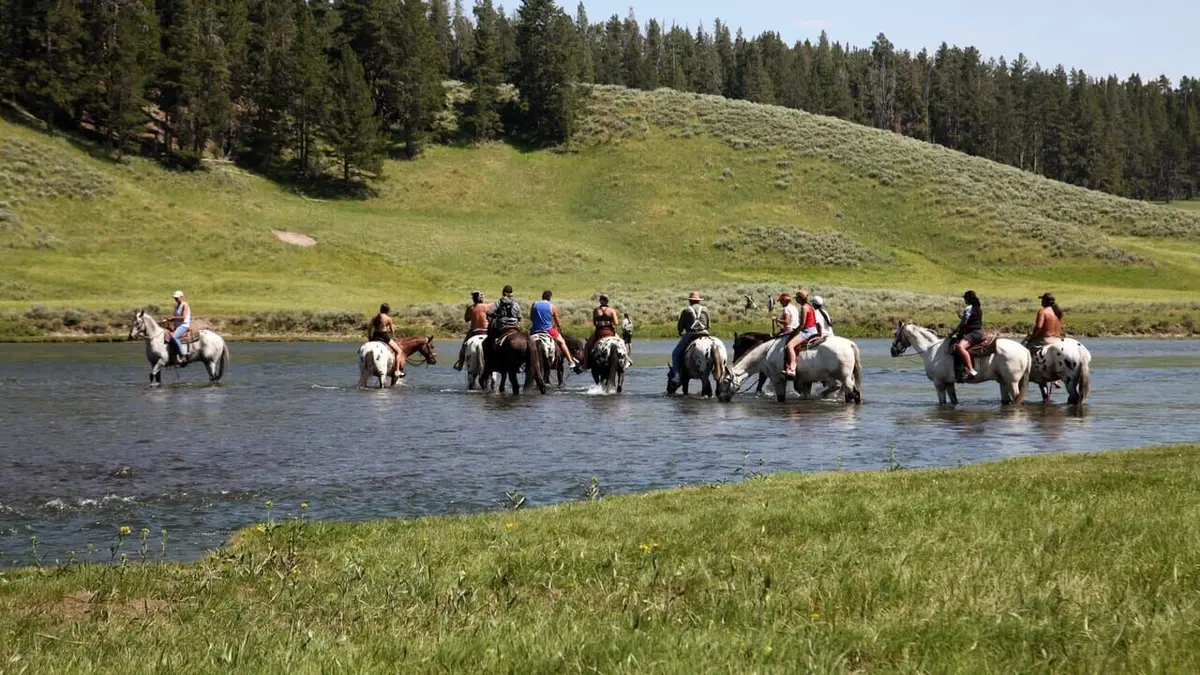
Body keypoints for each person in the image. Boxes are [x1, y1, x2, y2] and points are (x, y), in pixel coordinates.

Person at [530, 290, 579, 370]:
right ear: (550, 297)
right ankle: (570, 361)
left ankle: (523, 364)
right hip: (548, 330)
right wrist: (558, 326)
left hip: (535, 329)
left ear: (542, 296)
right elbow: (557, 321)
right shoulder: (552, 307)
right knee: (562, 342)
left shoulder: (534, 304)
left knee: (527, 343)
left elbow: (531, 318)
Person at [670, 291, 710, 383]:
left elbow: (680, 326)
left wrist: (680, 331)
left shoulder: (686, 310)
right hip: (705, 333)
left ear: (690, 301)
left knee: (675, 353)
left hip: (691, 334)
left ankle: (677, 375)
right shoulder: (705, 309)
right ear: (699, 301)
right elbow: (708, 325)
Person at [784, 289, 821, 377]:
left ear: (800, 299)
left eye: (797, 298)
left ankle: (792, 367)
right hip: (814, 330)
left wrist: (795, 332)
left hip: (807, 332)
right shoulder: (810, 306)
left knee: (789, 345)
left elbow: (802, 324)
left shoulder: (804, 307)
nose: (796, 300)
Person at [578, 294, 620, 372]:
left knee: (587, 347)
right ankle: (626, 361)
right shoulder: (612, 310)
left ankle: (585, 364)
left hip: (599, 333)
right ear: (607, 301)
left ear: (600, 301)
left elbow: (594, 323)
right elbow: (616, 323)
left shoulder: (596, 310)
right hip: (610, 332)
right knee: (622, 344)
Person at [951, 290, 984, 380]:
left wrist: (953, 332)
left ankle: (971, 370)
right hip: (978, 331)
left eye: (965, 298)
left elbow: (963, 324)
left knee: (960, 347)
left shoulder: (969, 308)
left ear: (968, 299)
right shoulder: (978, 307)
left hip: (974, 333)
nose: (964, 300)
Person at [453, 290, 490, 371]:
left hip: (474, 332)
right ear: (481, 298)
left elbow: (466, 319)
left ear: (473, 299)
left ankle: (460, 364)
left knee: (464, 347)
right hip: (486, 331)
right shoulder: (487, 306)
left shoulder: (470, 308)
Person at [368, 303, 405, 377]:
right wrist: (394, 338)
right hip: (384, 336)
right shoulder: (388, 318)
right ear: (388, 310)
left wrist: (370, 337)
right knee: (399, 351)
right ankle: (397, 371)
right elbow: (392, 331)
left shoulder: (375, 317)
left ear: (380, 309)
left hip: (375, 336)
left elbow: (370, 328)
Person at [166, 290, 192, 365]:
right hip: (177, 326)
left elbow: (183, 317)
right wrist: (171, 321)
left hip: (184, 325)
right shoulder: (177, 306)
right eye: (175, 298)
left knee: (174, 337)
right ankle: (173, 357)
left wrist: (173, 318)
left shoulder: (185, 305)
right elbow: (176, 317)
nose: (176, 299)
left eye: (177, 298)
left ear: (181, 297)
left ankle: (183, 354)